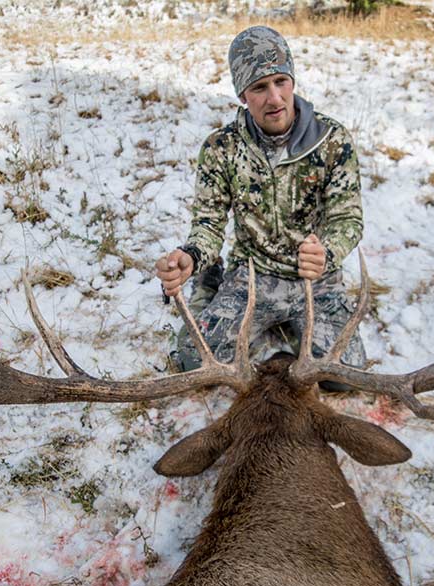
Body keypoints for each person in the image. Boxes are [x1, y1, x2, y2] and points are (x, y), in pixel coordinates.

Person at [156, 25, 366, 376]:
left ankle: (279, 333)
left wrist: (326, 251)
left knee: (345, 374)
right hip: (253, 279)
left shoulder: (332, 141)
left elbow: (348, 219)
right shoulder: (221, 149)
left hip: (315, 283)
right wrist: (190, 258)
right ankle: (209, 286)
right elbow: (208, 225)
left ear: (293, 81)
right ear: (242, 94)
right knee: (194, 360)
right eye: (259, 87)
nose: (275, 98)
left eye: (281, 82)